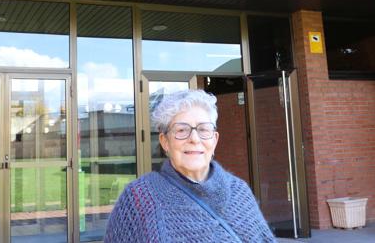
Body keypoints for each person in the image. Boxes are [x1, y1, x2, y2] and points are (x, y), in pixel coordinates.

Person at [104, 90, 276, 242]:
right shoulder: (139, 198)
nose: (194, 139)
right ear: (165, 142)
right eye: (181, 130)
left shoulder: (239, 192)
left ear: (214, 140)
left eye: (203, 129)